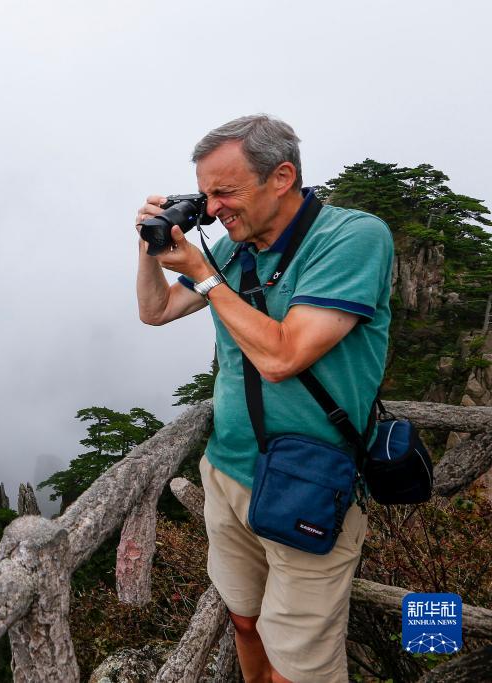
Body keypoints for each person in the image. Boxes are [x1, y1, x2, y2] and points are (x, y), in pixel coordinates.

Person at [135, 114, 393, 683]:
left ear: (282, 176)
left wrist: (205, 275)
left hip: (311, 478)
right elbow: (155, 312)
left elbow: (281, 357)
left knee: (299, 665)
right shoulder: (232, 249)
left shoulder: (351, 238)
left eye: (225, 192)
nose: (214, 207)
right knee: (245, 621)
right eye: (205, 195)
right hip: (228, 471)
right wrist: (150, 247)